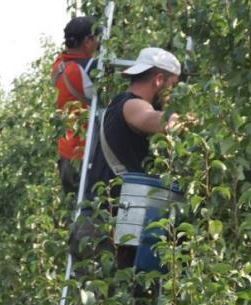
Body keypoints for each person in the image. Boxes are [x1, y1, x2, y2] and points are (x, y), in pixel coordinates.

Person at [70, 47, 191, 267]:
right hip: (105, 229)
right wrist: (191, 121)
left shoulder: (118, 105)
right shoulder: (131, 105)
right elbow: (155, 120)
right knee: (112, 298)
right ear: (159, 80)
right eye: (171, 86)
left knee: (97, 300)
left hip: (94, 225)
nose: (171, 94)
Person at [52, 16, 101, 194]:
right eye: (96, 39)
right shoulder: (86, 68)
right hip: (83, 152)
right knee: (92, 206)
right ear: (88, 41)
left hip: (65, 152)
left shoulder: (59, 65)